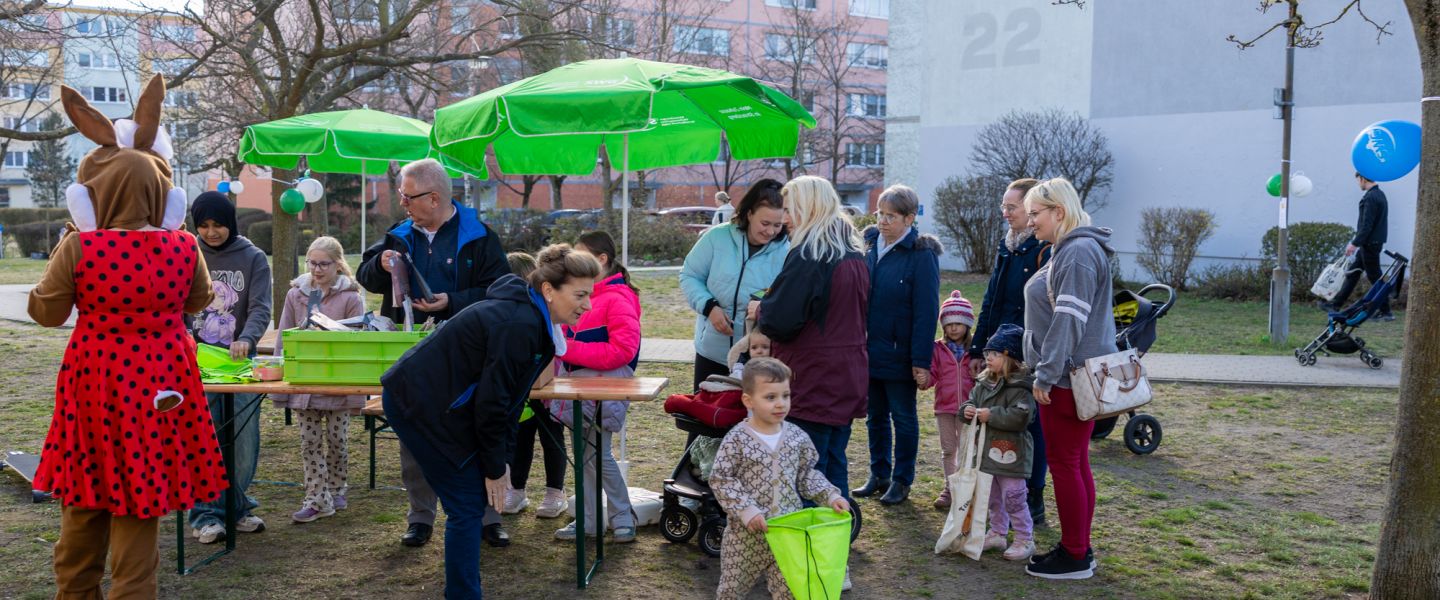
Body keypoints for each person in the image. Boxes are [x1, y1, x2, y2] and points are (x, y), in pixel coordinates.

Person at [28, 75, 226, 598]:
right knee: (143, 497)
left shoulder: (80, 248)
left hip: (94, 382)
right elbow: (199, 302)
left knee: (83, 490)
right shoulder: (184, 247)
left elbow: (45, 313)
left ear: (92, 191)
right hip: (161, 382)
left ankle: (77, 590)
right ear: (161, 189)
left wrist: (66, 248)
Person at [380, 244, 600, 600]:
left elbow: (509, 402)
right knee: (467, 506)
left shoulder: (531, 318)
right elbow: (494, 404)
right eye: (580, 295)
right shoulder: (520, 324)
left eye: (589, 294)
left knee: (470, 497)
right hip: (416, 402)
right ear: (548, 290)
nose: (587, 304)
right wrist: (496, 468)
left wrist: (500, 463)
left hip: (440, 403)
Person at [357, 157, 511, 548]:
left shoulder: (480, 236)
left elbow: (500, 292)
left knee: (474, 429)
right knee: (414, 432)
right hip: (412, 353)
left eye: (408, 198)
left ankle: (488, 516)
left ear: (434, 197)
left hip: (466, 350)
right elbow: (365, 275)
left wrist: (451, 301)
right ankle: (420, 516)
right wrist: (380, 262)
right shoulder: (399, 234)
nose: (403, 205)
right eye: (401, 197)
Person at [752, 176, 869, 591]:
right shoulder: (853, 253)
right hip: (846, 374)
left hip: (812, 376)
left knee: (807, 472)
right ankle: (837, 560)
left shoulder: (810, 255)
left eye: (788, 207)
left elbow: (782, 318)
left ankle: (816, 563)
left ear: (804, 208)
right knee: (833, 464)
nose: (784, 217)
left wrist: (761, 306)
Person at [1021, 178, 1117, 580]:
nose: (1030, 223)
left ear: (1058, 211)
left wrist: (1045, 374)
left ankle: (1075, 555)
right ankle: (1078, 546)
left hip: (1065, 381)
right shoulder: (1074, 248)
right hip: (1071, 377)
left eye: (1035, 214)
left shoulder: (1076, 252)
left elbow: (1068, 321)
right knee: (1075, 463)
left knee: (1064, 464)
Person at [710, 357, 849, 600]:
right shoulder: (737, 439)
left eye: (785, 396)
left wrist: (830, 495)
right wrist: (747, 510)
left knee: (790, 591)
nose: (780, 404)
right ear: (748, 400)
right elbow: (722, 479)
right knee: (731, 591)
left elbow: (806, 474)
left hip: (788, 533)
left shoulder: (797, 437)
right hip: (745, 538)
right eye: (770, 397)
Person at [185, 190, 274, 544]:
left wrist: (248, 339)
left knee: (242, 439)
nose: (211, 232)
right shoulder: (186, 252)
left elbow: (261, 308)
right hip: (197, 365)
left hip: (238, 363)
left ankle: (236, 508)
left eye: (218, 224)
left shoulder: (253, 258)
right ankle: (206, 514)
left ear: (231, 223)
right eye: (204, 225)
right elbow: (175, 304)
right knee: (204, 437)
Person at [550, 230, 642, 543]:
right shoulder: (590, 296)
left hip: (602, 387)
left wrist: (567, 349)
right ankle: (592, 520)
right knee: (587, 455)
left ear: (601, 260)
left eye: (581, 256)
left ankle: (620, 517)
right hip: (582, 386)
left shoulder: (616, 298)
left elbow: (624, 351)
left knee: (596, 456)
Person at [970, 177, 1051, 526]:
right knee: (1000, 423)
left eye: (1012, 207)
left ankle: (1032, 497)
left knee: (1029, 426)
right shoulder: (1007, 245)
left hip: (1027, 354)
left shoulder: (1043, 249)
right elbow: (992, 298)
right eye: (1003, 206)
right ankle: (1003, 498)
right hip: (1000, 351)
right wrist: (980, 346)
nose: (1005, 212)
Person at [856, 184, 942, 506]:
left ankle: (902, 480)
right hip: (869, 350)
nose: (882, 221)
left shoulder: (921, 255)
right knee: (875, 416)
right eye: (880, 213)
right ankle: (879, 473)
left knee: (903, 418)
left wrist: (920, 360)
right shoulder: (869, 246)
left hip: (901, 353)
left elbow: (926, 311)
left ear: (909, 218)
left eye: (891, 216)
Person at [272, 237, 367, 523]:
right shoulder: (296, 294)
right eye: (312, 263)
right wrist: (280, 381)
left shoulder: (351, 297)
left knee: (337, 440)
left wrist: (355, 394)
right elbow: (283, 336)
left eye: (323, 264)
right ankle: (316, 497)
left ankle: (337, 487)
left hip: (337, 382)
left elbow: (358, 345)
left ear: (338, 265)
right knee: (309, 443)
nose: (316, 269)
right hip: (305, 383)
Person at [681, 179, 790, 390]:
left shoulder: (788, 252)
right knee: (708, 417)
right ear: (749, 214)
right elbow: (689, 275)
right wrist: (709, 307)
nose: (770, 232)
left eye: (778, 225)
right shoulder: (716, 237)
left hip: (759, 356)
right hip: (712, 351)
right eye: (765, 223)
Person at [502, 252, 570, 520]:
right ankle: (516, 490)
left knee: (551, 435)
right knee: (520, 435)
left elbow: (560, 346)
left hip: (545, 386)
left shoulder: (544, 307)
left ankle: (556, 492)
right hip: (518, 386)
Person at [963, 324, 1037, 562]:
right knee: (993, 496)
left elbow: (1022, 416)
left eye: (993, 355)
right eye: (986, 356)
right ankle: (998, 532)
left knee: (1013, 497)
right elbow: (970, 401)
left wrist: (991, 415)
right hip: (987, 452)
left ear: (1009, 357)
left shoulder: (1021, 387)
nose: (988, 360)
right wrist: (966, 411)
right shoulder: (984, 382)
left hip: (1011, 454)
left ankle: (1025, 538)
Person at [926, 291, 977, 510]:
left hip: (968, 411)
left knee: (968, 451)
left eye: (958, 323)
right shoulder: (938, 348)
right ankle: (949, 488)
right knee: (949, 450)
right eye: (949, 323)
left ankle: (967, 488)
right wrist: (923, 379)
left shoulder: (975, 350)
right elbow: (932, 375)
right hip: (944, 409)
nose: (953, 328)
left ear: (967, 324)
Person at [1322, 172, 1393, 319]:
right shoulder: (1379, 194)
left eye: (1358, 181)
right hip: (1371, 242)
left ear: (1362, 178)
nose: (1358, 184)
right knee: (1354, 272)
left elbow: (1366, 225)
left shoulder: (1371, 197)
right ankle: (1335, 304)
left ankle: (1386, 311)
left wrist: (1354, 244)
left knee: (1375, 277)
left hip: (1369, 243)